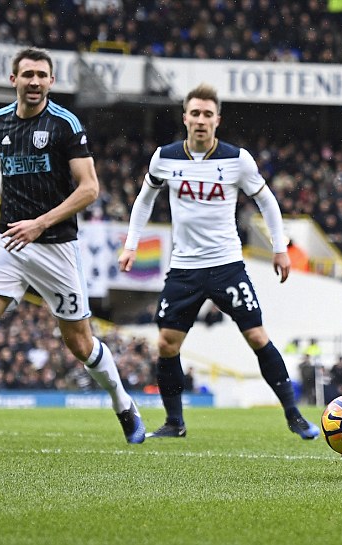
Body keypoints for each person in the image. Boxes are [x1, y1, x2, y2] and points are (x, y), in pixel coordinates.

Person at [0, 47, 144, 446]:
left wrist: (40, 223)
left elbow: (90, 189)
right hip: (8, 242)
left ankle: (124, 405)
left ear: (51, 82)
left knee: (80, 344)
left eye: (42, 75)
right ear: (13, 80)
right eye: (28, 75)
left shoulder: (64, 125)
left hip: (55, 245)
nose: (35, 81)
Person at [118, 83, 319, 440]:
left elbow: (268, 201)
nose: (200, 120)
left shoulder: (237, 159)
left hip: (227, 264)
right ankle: (174, 422)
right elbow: (144, 201)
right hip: (183, 268)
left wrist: (279, 247)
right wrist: (131, 245)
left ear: (217, 120)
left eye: (207, 114)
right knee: (167, 343)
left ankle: (293, 415)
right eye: (194, 113)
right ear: (185, 118)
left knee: (257, 335)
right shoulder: (165, 157)